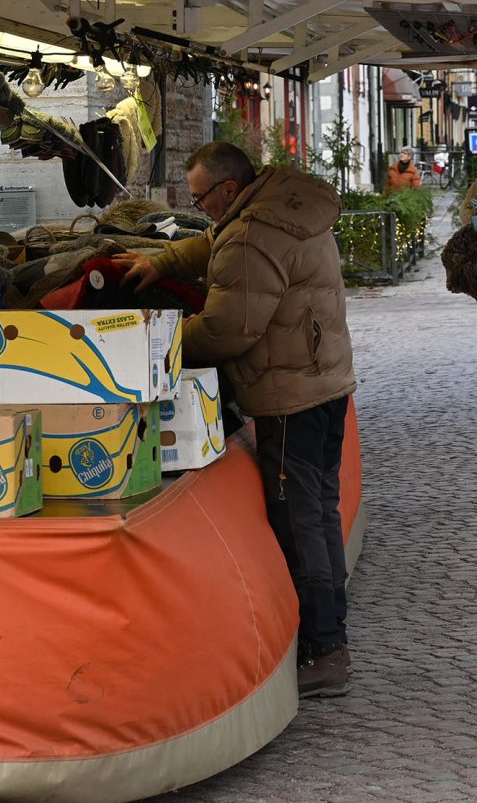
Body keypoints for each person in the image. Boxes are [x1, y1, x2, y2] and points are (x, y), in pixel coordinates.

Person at [115, 142, 357, 698]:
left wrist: (151, 341)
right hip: (323, 383)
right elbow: (216, 243)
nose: (199, 208)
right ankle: (331, 636)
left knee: (301, 524)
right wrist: (163, 262)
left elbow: (226, 330)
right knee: (320, 512)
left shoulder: (253, 235)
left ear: (228, 189)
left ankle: (325, 650)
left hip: (289, 397)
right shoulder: (282, 205)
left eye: (200, 198)